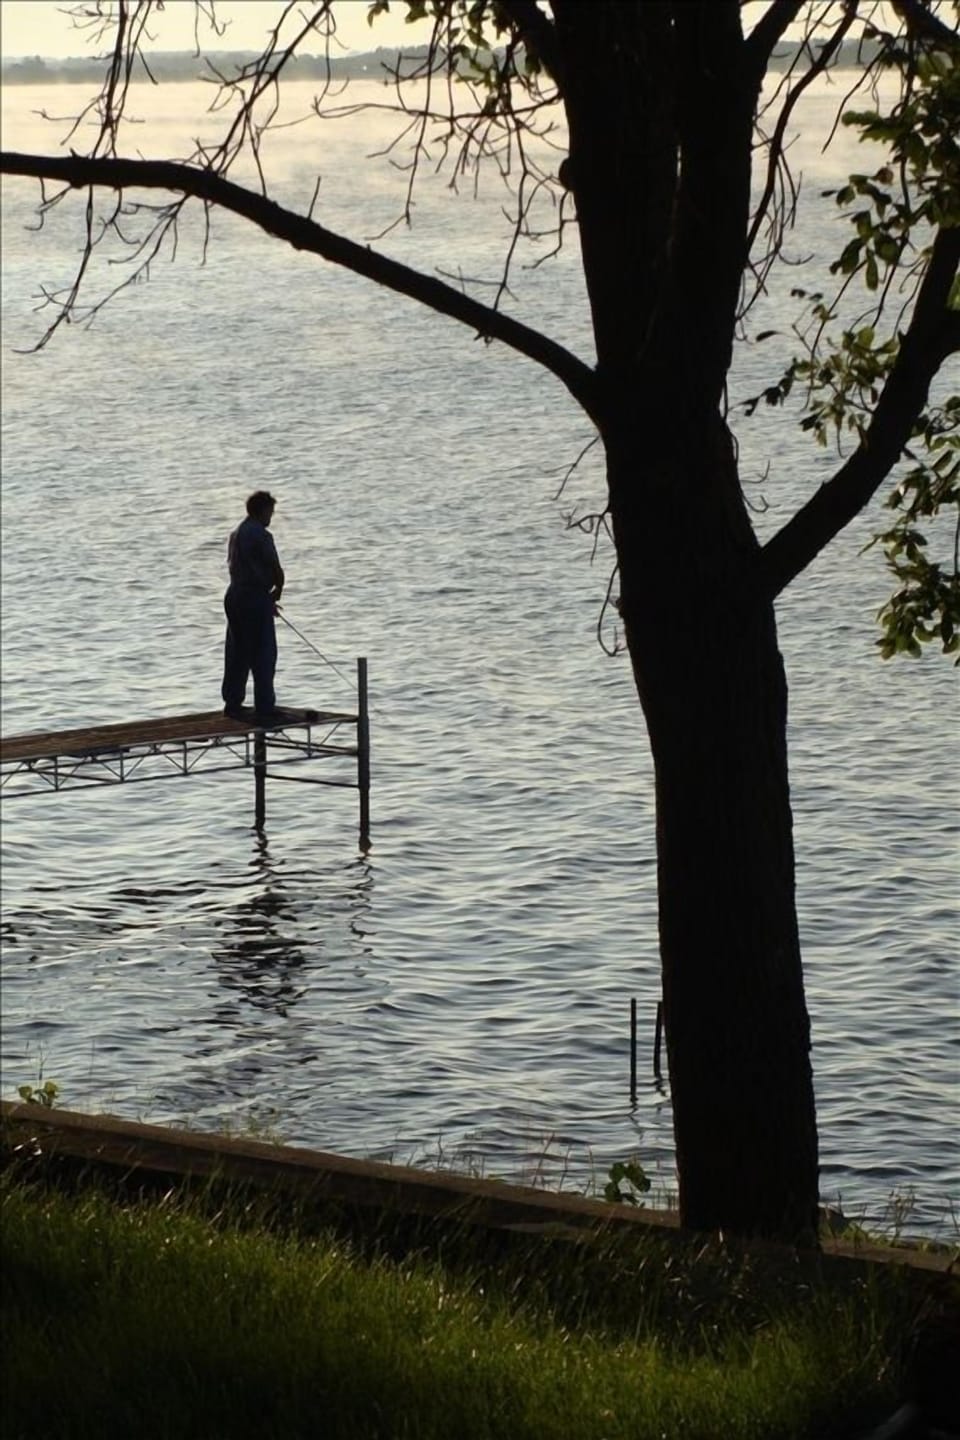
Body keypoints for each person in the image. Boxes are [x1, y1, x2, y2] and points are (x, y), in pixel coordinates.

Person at [221, 491, 285, 718]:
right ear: (262, 510)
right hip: (254, 597)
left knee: (237, 651)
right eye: (270, 512)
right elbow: (275, 568)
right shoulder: (261, 535)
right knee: (263, 652)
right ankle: (265, 706)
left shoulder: (236, 533)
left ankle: (233, 702)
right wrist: (277, 590)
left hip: (234, 595)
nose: (271, 517)